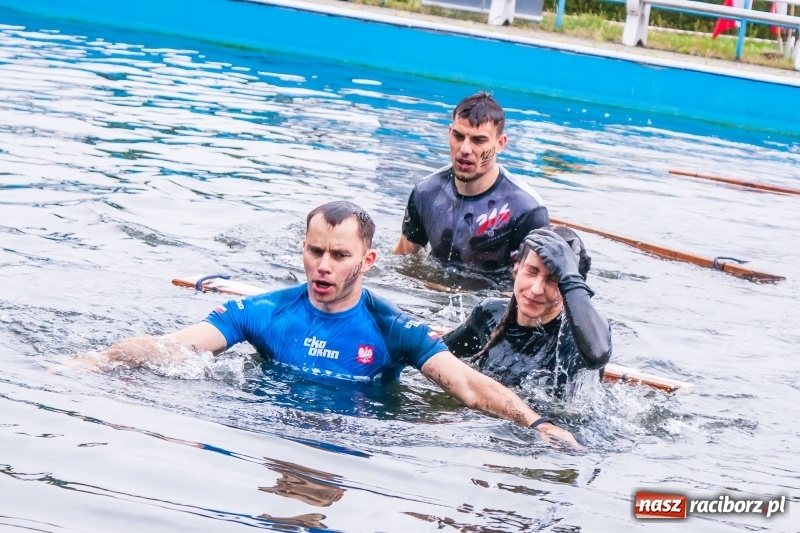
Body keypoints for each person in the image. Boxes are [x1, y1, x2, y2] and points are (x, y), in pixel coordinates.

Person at [82, 201, 579, 448]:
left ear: (367, 261)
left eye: (339, 255)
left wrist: (535, 423)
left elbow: (468, 386)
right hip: (269, 430)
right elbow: (176, 347)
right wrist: (99, 360)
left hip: (357, 441)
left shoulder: (393, 328)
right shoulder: (264, 312)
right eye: (315, 251)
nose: (324, 265)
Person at [394, 91, 549, 283]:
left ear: (500, 144)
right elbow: (402, 262)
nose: (465, 149)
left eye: (478, 140)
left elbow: (530, 288)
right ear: (449, 133)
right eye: (458, 136)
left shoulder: (527, 210)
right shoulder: (425, 192)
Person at [443, 226, 612, 395]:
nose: (536, 289)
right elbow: (436, 354)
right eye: (532, 271)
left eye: (554, 279)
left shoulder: (578, 337)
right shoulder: (488, 313)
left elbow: (597, 356)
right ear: (516, 267)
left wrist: (569, 276)